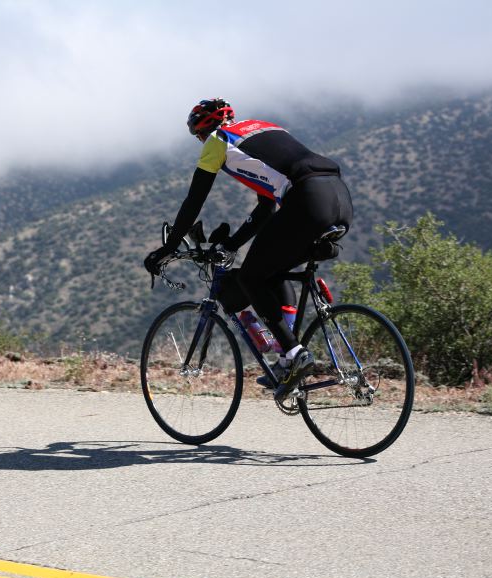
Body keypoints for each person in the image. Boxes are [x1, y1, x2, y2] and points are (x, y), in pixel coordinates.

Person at [144, 98, 353, 397]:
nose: (201, 142)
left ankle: (294, 354)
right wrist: (231, 244)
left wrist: (167, 249)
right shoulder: (263, 127)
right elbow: (266, 209)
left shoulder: (218, 141)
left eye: (198, 136)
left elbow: (193, 202)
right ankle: (285, 359)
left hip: (307, 199)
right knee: (273, 271)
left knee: (250, 278)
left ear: (204, 129)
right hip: (338, 197)